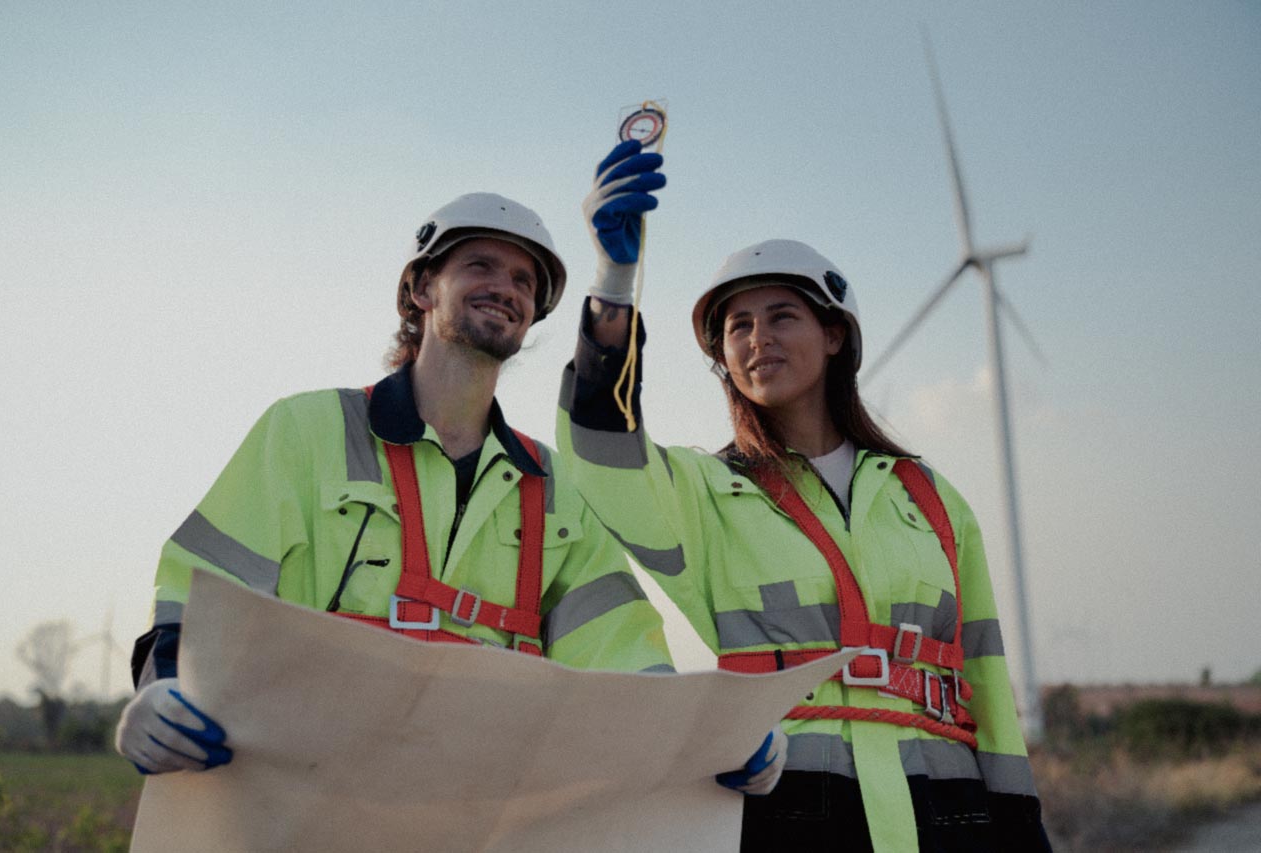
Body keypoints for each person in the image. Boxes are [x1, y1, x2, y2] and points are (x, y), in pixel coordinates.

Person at [559, 143, 1051, 851]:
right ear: (722, 359)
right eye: (738, 326)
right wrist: (615, 280)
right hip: (791, 814)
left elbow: (988, 684)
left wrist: (1020, 824)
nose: (758, 338)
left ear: (832, 334)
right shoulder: (706, 491)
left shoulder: (933, 500)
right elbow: (599, 454)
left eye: (781, 315)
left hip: (951, 812)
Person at [115, 192, 678, 775]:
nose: (506, 287)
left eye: (523, 280)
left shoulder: (560, 487)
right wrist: (162, 688)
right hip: (300, 792)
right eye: (480, 265)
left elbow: (624, 660)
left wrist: (702, 739)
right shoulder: (305, 431)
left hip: (472, 806)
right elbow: (205, 594)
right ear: (422, 289)